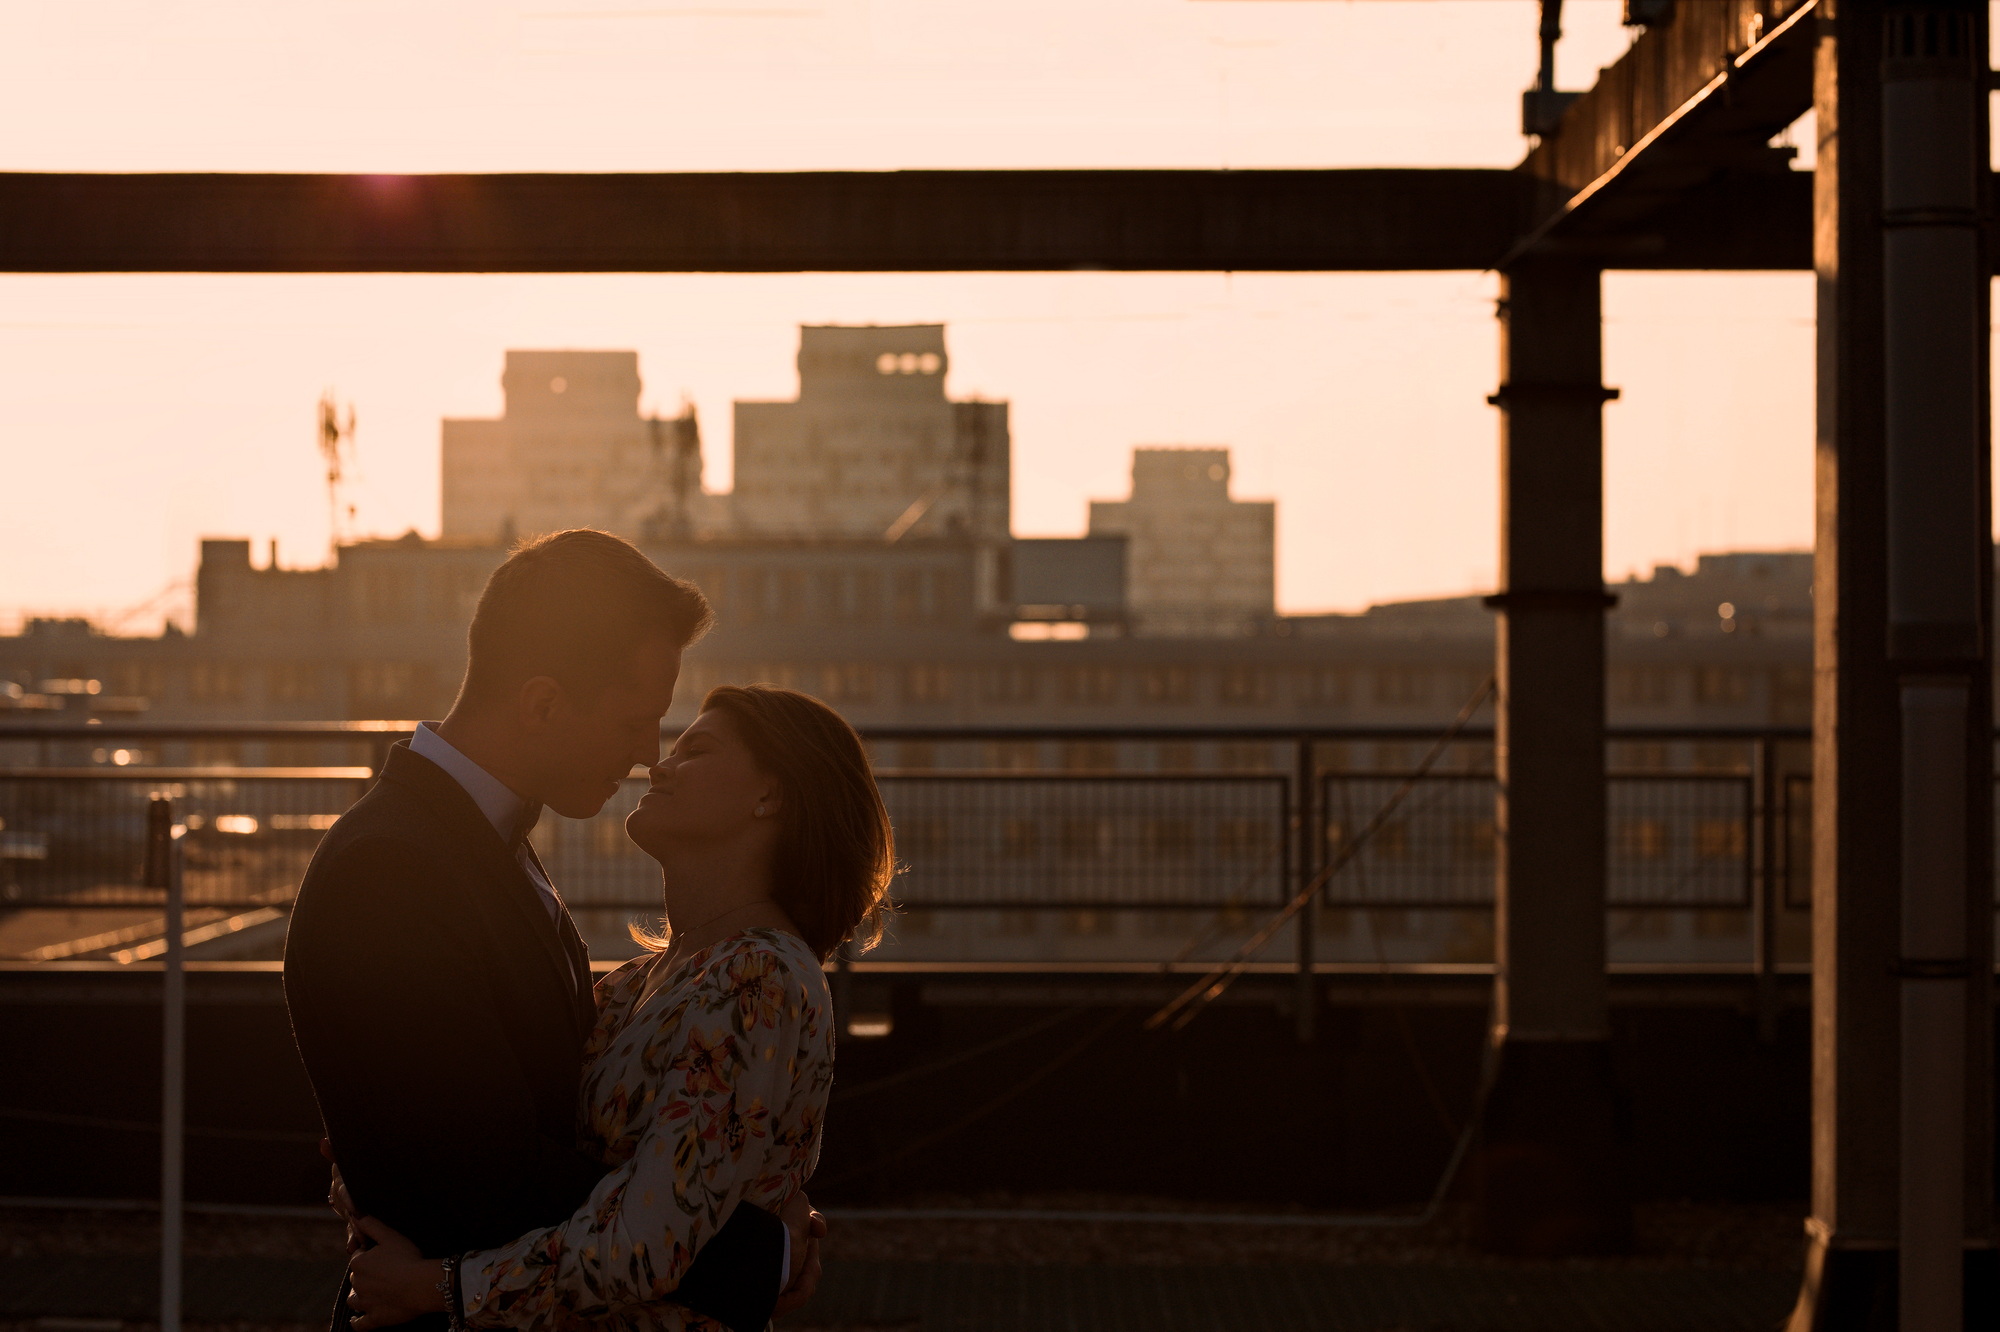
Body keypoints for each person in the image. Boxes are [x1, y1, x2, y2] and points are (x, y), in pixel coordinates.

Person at [286, 532, 820, 1332]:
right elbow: (481, 1173)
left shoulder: (475, 844)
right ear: (541, 703)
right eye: (637, 722)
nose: (648, 755)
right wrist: (755, 1253)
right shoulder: (391, 868)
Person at [339, 684, 894, 1332]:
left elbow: (647, 1244)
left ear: (771, 795)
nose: (658, 764)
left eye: (697, 751)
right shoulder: (633, 983)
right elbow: (507, 1128)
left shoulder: (759, 980)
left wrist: (441, 1287)